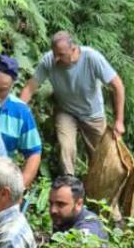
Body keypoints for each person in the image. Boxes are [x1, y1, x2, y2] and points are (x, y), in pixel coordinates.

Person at [20, 31, 126, 175]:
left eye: (61, 54)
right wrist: (18, 111)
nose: (56, 58)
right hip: (66, 111)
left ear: (74, 49)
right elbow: (30, 87)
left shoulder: (91, 58)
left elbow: (118, 85)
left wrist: (119, 121)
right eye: (55, 53)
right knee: (66, 148)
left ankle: (99, 192)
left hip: (92, 114)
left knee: (101, 157)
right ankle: (68, 185)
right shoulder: (49, 60)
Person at [0, 54, 43, 187]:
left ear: (12, 86)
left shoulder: (20, 111)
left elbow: (34, 153)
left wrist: (19, 188)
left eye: (2, 90)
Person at [48, 175, 107, 239]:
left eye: (61, 204)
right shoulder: (64, 220)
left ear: (78, 204)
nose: (53, 210)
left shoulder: (89, 224)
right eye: (51, 203)